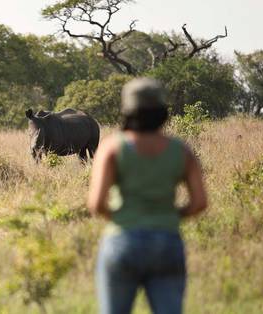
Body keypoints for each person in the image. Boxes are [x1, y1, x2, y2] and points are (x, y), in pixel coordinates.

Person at [86, 78, 208, 314]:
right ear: (162, 110)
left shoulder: (112, 147)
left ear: (127, 110)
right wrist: (170, 216)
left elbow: (96, 204)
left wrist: (122, 217)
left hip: (123, 241)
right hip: (167, 241)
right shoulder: (181, 150)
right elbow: (200, 203)